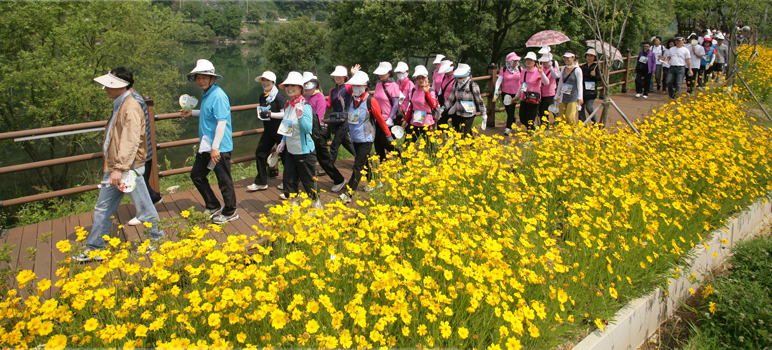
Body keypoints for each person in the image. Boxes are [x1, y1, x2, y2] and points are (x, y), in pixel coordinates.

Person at [75, 68, 164, 262]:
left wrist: (119, 168)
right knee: (104, 207)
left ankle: (157, 240)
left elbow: (130, 141)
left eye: (109, 85)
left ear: (121, 86)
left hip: (127, 169)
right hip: (118, 167)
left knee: (143, 206)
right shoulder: (121, 104)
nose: (105, 88)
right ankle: (96, 246)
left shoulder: (130, 107)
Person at [180, 59, 239, 224]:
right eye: (198, 77)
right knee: (197, 175)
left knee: (223, 179)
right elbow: (209, 113)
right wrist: (192, 113)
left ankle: (230, 211)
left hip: (218, 147)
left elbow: (222, 122)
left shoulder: (219, 96)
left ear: (213, 79)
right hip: (206, 146)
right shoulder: (207, 94)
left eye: (204, 77)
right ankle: (213, 205)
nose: (201, 80)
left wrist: (215, 148)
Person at [338, 71, 393, 203]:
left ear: (366, 86)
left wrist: (388, 135)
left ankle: (348, 194)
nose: (356, 88)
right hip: (355, 137)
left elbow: (380, 119)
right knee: (364, 161)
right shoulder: (352, 99)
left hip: (366, 139)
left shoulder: (371, 101)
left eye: (359, 85)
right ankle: (374, 182)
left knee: (357, 166)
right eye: (354, 86)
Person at [122, 67, 164, 227]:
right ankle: (152, 202)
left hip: (139, 152)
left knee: (138, 182)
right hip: (140, 151)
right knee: (139, 183)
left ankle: (147, 214)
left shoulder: (135, 101)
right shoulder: (131, 99)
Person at [273, 72, 320, 206]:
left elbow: (307, 129)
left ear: (301, 88)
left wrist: (300, 117)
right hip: (291, 150)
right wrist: (283, 141)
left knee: (308, 180)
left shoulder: (305, 106)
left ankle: (316, 204)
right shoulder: (288, 105)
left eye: (293, 85)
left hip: (304, 151)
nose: (289, 87)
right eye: (287, 85)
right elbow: (286, 125)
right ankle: (294, 203)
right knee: (288, 179)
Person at [302, 72, 347, 193]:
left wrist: (310, 129)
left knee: (324, 159)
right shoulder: (308, 97)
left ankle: (339, 179)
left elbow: (319, 116)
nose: (305, 88)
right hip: (308, 131)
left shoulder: (319, 97)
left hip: (317, 133)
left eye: (308, 85)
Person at [247, 71, 287, 192]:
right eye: (263, 81)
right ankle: (261, 182)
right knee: (260, 154)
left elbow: (285, 114)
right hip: (268, 131)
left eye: (267, 81)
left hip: (280, 131)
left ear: (273, 82)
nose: (264, 83)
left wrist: (270, 114)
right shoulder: (262, 96)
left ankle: (290, 181)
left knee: (285, 157)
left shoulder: (279, 96)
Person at [442, 63, 486, 138]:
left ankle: (457, 148)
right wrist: (444, 108)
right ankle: (473, 146)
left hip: (469, 113)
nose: (459, 78)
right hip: (459, 113)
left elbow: (479, 100)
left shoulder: (472, 85)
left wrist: (483, 113)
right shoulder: (456, 84)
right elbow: (451, 98)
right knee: (467, 132)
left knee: (463, 133)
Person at [368, 62, 401, 162]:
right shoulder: (379, 84)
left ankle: (400, 155)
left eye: (383, 73)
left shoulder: (394, 85)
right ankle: (383, 164)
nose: (380, 75)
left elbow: (395, 104)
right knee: (377, 143)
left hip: (388, 119)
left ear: (389, 73)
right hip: (378, 118)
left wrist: (390, 118)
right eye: (380, 73)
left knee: (385, 142)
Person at [326, 65, 357, 165]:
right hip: (337, 120)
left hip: (346, 119)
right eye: (336, 76)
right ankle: (361, 159)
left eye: (340, 75)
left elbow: (357, 86)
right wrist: (320, 99)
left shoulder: (348, 87)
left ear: (345, 77)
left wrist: (354, 74)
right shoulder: (332, 90)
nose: (337, 77)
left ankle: (329, 166)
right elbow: (329, 105)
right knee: (346, 142)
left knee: (335, 143)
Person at [401, 65, 439, 143]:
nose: (421, 80)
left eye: (423, 77)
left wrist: (426, 92)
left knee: (430, 148)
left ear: (428, 77)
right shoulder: (414, 90)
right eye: (418, 78)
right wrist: (405, 120)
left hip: (427, 124)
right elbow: (411, 106)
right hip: (414, 122)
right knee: (407, 145)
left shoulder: (431, 91)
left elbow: (433, 105)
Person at [517, 52, 549, 130]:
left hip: (533, 99)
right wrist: (516, 96)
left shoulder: (538, 71)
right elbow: (522, 84)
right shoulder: (524, 71)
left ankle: (530, 139)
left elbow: (546, 82)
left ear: (535, 61)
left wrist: (541, 73)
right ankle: (534, 129)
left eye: (531, 60)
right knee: (522, 119)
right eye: (527, 59)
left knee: (530, 120)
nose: (529, 61)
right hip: (524, 98)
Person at [493, 52, 522, 135]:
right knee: (508, 109)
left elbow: (523, 79)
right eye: (514, 61)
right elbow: (499, 80)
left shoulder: (520, 69)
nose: (515, 63)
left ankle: (508, 128)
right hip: (505, 93)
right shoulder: (504, 69)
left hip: (516, 93)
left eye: (516, 61)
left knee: (511, 110)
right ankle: (513, 120)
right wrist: (496, 89)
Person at [555, 52, 584, 125]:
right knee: (562, 117)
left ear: (573, 58)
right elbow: (561, 83)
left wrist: (580, 97)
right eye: (565, 58)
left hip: (573, 96)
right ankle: (563, 133)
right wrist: (556, 95)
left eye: (568, 58)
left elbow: (580, 84)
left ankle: (573, 132)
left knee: (570, 116)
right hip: (564, 95)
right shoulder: (563, 69)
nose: (566, 59)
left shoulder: (578, 70)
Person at [538, 54, 560, 128]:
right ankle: (545, 126)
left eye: (546, 61)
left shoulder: (553, 69)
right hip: (542, 93)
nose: (544, 62)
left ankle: (546, 127)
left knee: (546, 110)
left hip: (550, 93)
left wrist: (551, 68)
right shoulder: (541, 69)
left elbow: (555, 76)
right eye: (543, 61)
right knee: (543, 110)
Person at [580, 49, 600, 123]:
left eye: (591, 56)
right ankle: (582, 123)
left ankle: (594, 121)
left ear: (594, 57)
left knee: (589, 108)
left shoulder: (596, 67)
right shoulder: (583, 67)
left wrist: (594, 76)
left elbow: (600, 79)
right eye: (588, 55)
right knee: (581, 108)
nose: (589, 57)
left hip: (591, 91)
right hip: (583, 90)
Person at [435, 59, 456, 126]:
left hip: (454, 105)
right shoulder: (445, 77)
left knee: (456, 124)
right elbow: (442, 90)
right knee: (440, 123)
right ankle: (448, 135)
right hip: (445, 104)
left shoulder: (456, 78)